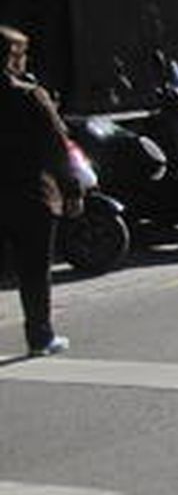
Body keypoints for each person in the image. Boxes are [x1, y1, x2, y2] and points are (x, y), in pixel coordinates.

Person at [0, 26, 83, 357]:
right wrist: (73, 190)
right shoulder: (30, 95)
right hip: (31, 195)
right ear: (12, 57)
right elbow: (57, 146)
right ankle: (40, 336)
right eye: (20, 54)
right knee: (34, 271)